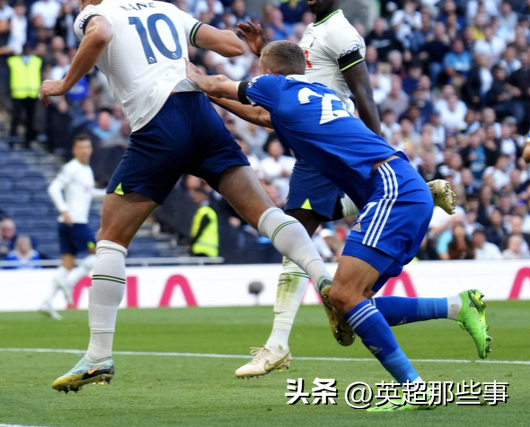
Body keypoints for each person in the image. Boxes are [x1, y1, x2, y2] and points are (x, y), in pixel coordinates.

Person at [39, 0, 338, 393]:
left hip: (159, 124)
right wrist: (253, 48)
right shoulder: (166, 9)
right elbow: (233, 45)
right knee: (265, 212)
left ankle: (98, 356)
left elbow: (101, 33)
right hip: (202, 113)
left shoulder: (95, 13)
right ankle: (324, 279)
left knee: (110, 239)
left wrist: (65, 83)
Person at [189, 41, 491, 412]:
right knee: (353, 303)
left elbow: (216, 83)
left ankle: (416, 390)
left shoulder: (274, 87)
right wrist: (216, 97)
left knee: (344, 297)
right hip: (400, 188)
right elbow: (263, 118)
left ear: (268, 73)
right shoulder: (317, 92)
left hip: (389, 191)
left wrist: (183, 73)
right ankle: (456, 306)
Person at [231, 0, 390, 378]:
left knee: (292, 239)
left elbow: (365, 96)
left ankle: (278, 344)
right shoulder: (313, 32)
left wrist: (380, 158)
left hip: (326, 142)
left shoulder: (340, 31)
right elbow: (295, 80)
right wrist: (263, 53)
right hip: (316, 144)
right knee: (297, 237)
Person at [39, 134, 105, 319]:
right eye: (81, 148)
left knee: (67, 264)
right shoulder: (71, 168)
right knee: (99, 254)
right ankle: (70, 283)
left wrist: (108, 193)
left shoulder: (86, 170)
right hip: (75, 222)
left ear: (91, 149)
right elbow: (53, 188)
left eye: (87, 147)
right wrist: (64, 210)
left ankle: (47, 302)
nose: (85, 151)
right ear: (75, 150)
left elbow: (88, 193)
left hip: (69, 224)